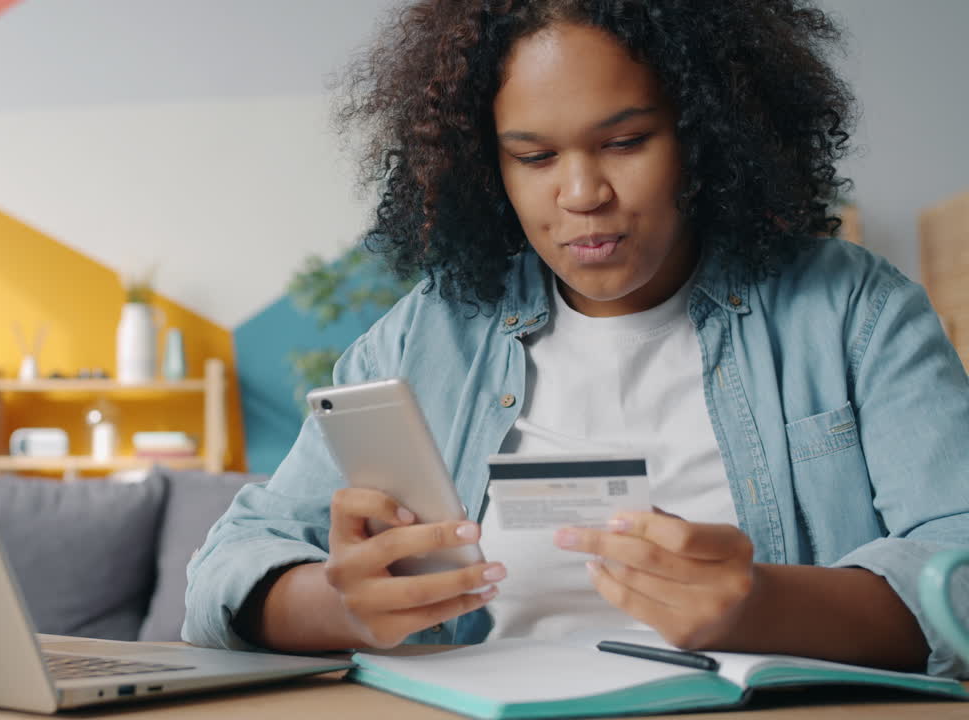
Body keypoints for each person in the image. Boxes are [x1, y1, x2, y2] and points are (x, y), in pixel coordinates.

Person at [184, 0, 969, 677]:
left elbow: (960, 564)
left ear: (705, 134)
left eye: (626, 142)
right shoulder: (428, 336)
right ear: (488, 165)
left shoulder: (852, 311)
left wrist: (767, 603)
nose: (583, 194)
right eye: (534, 156)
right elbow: (223, 571)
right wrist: (340, 605)